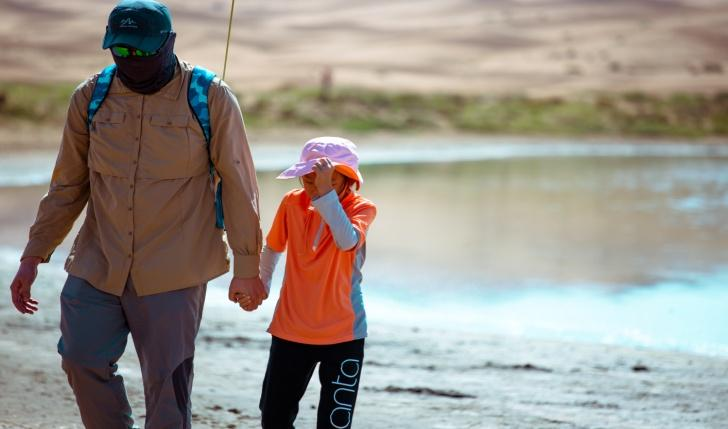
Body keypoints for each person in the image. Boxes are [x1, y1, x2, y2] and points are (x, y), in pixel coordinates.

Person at [8, 1, 267, 427]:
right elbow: (67, 187)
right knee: (79, 358)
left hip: (175, 271)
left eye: (142, 52)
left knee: (168, 391)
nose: (132, 61)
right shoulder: (91, 97)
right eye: (121, 51)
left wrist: (247, 266)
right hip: (99, 262)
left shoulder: (210, 97)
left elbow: (239, 186)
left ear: (169, 43)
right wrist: (33, 255)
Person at [237, 136, 377, 429]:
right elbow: (274, 246)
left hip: (344, 334)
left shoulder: (362, 208)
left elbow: (346, 240)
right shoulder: (292, 202)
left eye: (325, 180)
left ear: (347, 179)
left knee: (335, 423)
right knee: (274, 418)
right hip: (290, 330)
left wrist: (325, 195)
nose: (313, 187)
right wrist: (261, 284)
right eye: (308, 179)